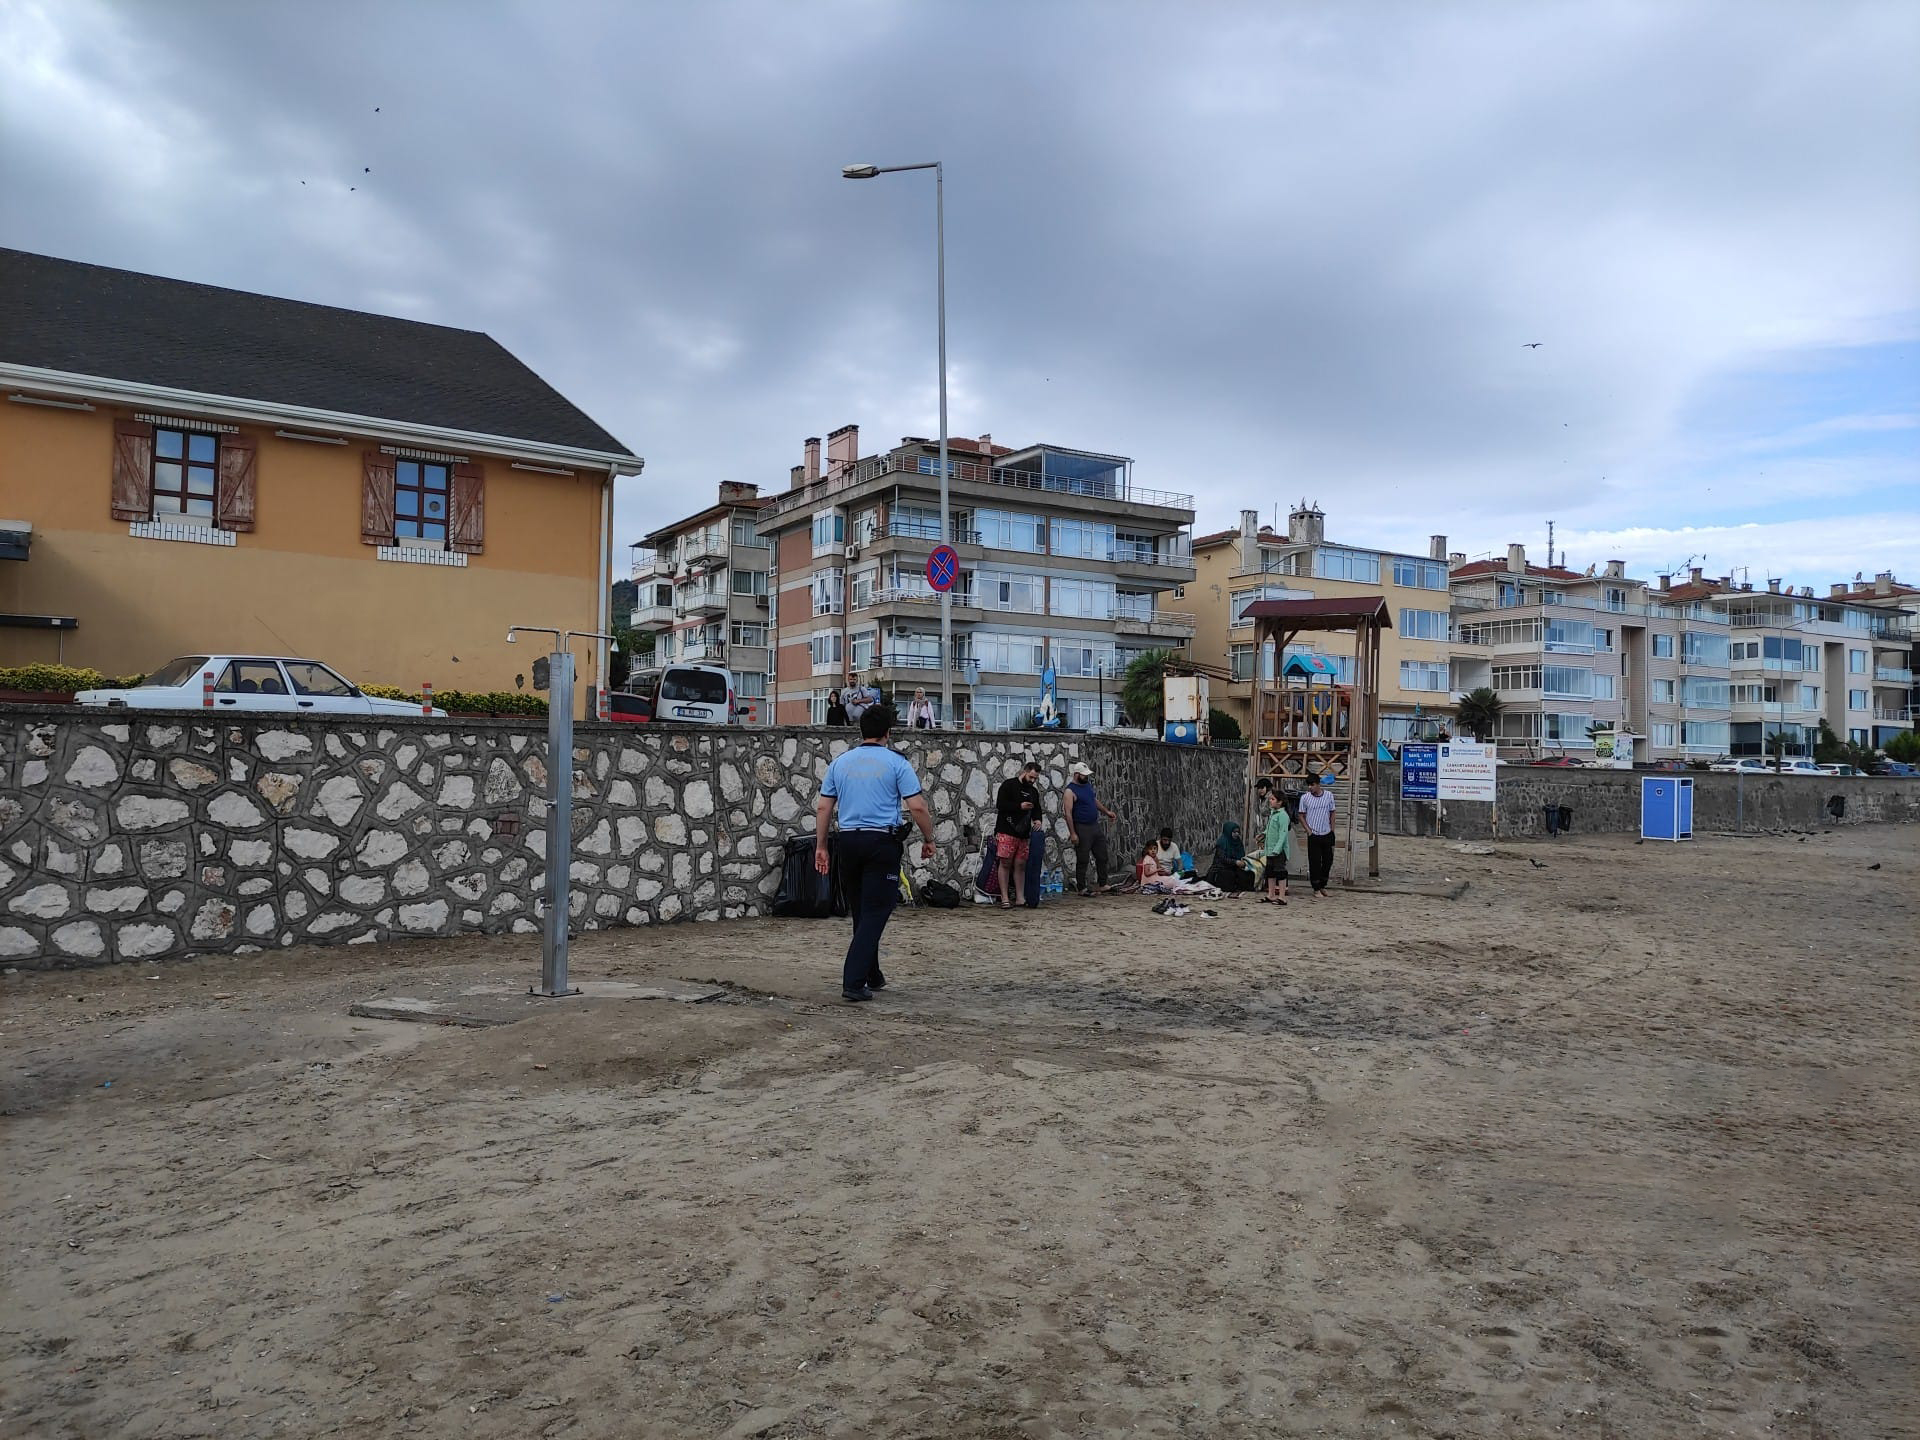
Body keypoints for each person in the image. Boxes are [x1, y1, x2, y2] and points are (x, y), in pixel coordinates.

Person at [814, 705, 936, 1002]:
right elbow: (917, 806)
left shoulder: (840, 763)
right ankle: (853, 981)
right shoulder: (896, 763)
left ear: (861, 731)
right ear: (888, 733)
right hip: (881, 841)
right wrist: (929, 838)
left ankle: (872, 974)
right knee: (878, 909)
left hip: (848, 841)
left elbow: (824, 807)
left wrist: (821, 846)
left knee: (861, 910)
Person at [992, 759, 1043, 910]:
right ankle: (1005, 897)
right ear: (1024, 772)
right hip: (1006, 830)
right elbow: (1001, 805)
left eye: (1035, 778)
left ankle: (1020, 897)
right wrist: (1019, 806)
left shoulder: (1033, 792)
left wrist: (1038, 820)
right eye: (1031, 777)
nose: (1032, 781)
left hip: (1024, 834)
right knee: (1005, 863)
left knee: (1020, 865)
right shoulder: (1009, 785)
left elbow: (1037, 808)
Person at [1064, 760, 1117, 896]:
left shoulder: (1087, 786)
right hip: (1081, 827)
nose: (1086, 777)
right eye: (1084, 775)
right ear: (1077, 775)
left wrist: (1106, 812)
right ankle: (1081, 887)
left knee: (1102, 855)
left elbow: (1093, 800)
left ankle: (1102, 883)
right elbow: (1068, 813)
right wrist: (1073, 833)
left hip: (1094, 825)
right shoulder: (1070, 791)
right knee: (1083, 858)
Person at [1252, 787, 1294, 904]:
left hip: (1278, 851)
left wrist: (1277, 849)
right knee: (1270, 872)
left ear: (1279, 802)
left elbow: (1283, 834)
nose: (1270, 801)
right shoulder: (1273, 814)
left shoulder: (1283, 816)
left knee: (1280, 873)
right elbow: (1270, 829)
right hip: (1269, 849)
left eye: (1272, 799)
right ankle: (1271, 895)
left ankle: (1282, 897)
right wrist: (1263, 835)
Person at [1299, 773, 1337, 897]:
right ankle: (1315, 888)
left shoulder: (1329, 795)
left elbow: (1332, 812)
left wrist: (1332, 829)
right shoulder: (1305, 798)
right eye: (1309, 785)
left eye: (1312, 785)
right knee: (1314, 862)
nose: (1310, 787)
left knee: (1328, 861)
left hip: (1326, 832)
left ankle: (1322, 885)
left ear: (1318, 784)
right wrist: (1308, 831)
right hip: (1314, 834)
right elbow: (1301, 815)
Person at [1204, 820, 1255, 893]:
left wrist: (1243, 862)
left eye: (1238, 832)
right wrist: (1235, 862)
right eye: (1234, 832)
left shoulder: (1238, 842)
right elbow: (1222, 859)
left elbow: (1241, 855)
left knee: (1248, 875)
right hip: (1221, 868)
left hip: (1234, 867)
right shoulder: (1222, 842)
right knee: (1228, 877)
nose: (1236, 834)